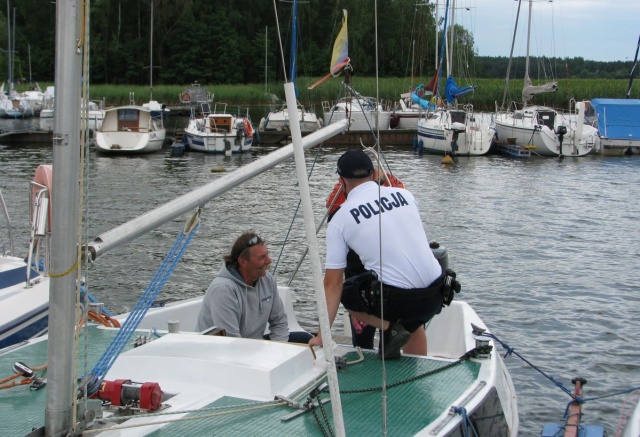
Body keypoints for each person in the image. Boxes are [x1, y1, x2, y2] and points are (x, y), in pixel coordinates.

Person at [309, 150, 445, 359]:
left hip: (401, 302)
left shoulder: (340, 219)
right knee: (414, 323)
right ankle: (417, 363)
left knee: (347, 293)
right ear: (374, 175)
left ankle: (390, 326)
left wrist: (321, 335)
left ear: (341, 180)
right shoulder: (405, 195)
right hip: (437, 293)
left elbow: (332, 284)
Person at [196, 232, 312, 343]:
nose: (269, 261)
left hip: (254, 346)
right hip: (219, 353)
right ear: (243, 261)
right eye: (262, 258)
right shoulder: (223, 290)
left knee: (307, 338)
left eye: (267, 254)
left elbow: (279, 322)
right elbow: (230, 341)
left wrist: (279, 350)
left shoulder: (267, 279)